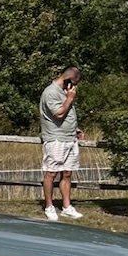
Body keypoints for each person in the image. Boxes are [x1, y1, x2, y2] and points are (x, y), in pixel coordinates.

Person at [39, 67, 84, 220]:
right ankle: (49, 206)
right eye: (73, 84)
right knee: (51, 173)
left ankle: (66, 206)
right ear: (67, 80)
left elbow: (67, 114)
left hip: (69, 138)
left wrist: (75, 128)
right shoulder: (50, 92)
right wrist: (70, 98)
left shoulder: (65, 92)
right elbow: (58, 114)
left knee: (67, 172)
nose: (73, 88)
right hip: (56, 139)